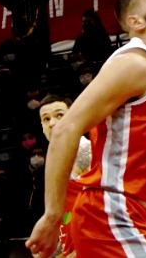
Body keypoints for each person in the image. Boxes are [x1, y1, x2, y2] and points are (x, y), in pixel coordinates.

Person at [25, 0, 146, 258]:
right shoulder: (133, 64)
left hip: (135, 213)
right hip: (109, 212)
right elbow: (67, 129)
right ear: (136, 22)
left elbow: (142, 173)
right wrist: (53, 215)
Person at [35, 94, 92, 258]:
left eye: (59, 115)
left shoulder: (84, 150)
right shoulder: (55, 159)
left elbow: (110, 204)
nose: (52, 123)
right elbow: (66, 217)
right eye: (46, 119)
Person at [0, 0, 59, 77]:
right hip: (24, 46)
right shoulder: (16, 1)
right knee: (26, 74)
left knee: (40, 74)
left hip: (39, 44)